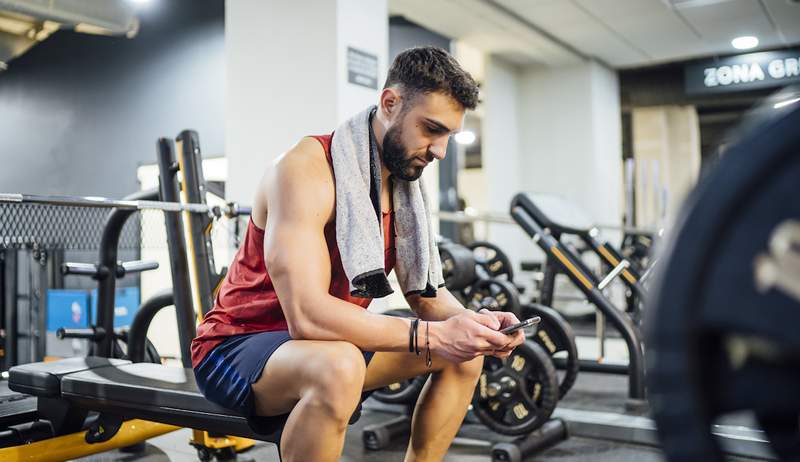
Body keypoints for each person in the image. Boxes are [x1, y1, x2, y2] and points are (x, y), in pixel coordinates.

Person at [191, 46, 525, 462]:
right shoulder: (305, 170)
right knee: (340, 366)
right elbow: (308, 316)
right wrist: (436, 333)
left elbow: (425, 295)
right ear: (390, 103)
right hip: (238, 348)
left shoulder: (401, 186)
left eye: (448, 137)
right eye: (431, 129)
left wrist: (475, 325)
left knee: (462, 353)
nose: (439, 151)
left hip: (333, 346)